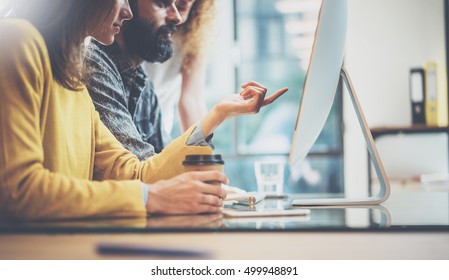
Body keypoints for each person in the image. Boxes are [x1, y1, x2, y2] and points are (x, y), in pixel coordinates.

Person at [0, 0, 288, 220]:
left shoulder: (74, 75)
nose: (127, 12)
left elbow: (134, 173)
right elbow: (20, 189)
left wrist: (219, 113)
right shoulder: (18, 40)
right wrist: (147, 198)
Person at [144, 0, 215, 143]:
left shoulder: (196, 28)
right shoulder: (139, 20)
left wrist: (202, 160)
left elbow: (192, 101)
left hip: (158, 135)